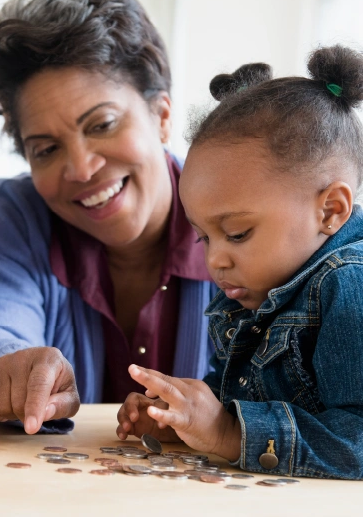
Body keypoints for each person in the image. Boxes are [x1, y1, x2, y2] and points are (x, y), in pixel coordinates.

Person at [0, 0, 216, 434]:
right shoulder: (12, 216)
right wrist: (6, 364)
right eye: (46, 149)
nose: (81, 169)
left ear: (162, 115)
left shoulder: (244, 216)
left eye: (102, 124)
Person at [117, 45, 363, 479]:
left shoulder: (348, 284)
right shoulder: (253, 283)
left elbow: (356, 439)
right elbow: (238, 391)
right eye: (203, 236)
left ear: (330, 210)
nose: (215, 259)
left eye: (237, 234)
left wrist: (230, 433)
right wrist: (183, 416)